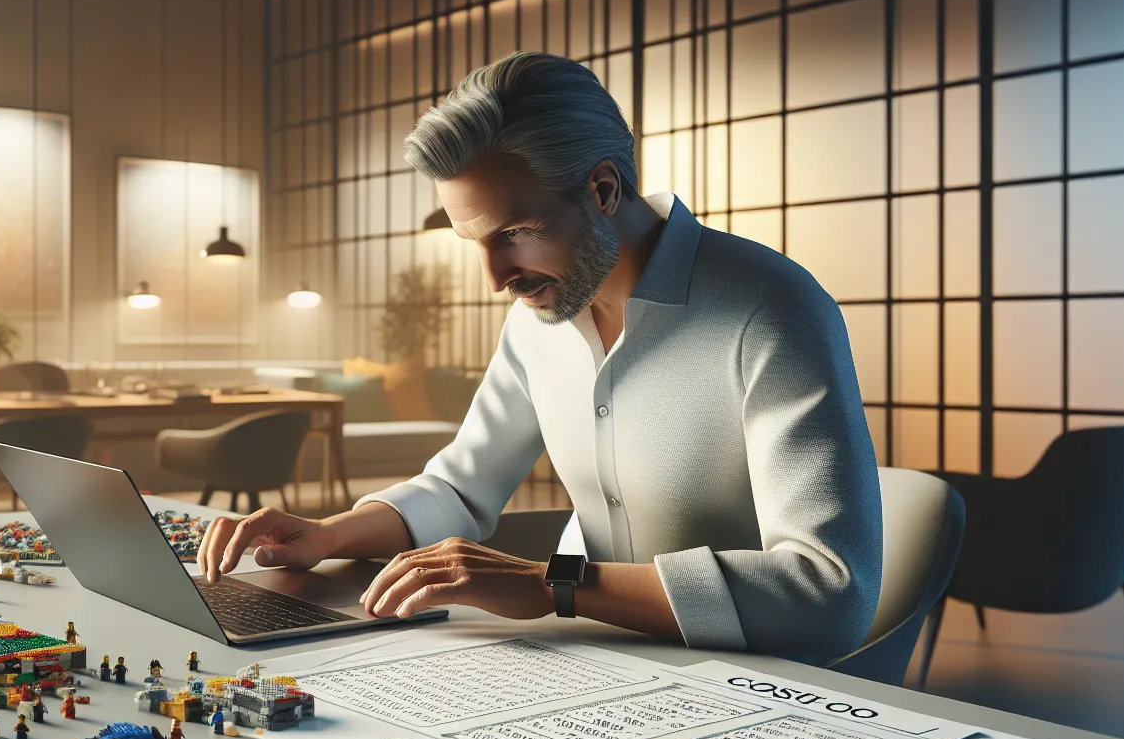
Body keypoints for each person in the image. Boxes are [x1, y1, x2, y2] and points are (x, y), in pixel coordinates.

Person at [195, 52, 882, 664]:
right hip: (594, 660)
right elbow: (462, 489)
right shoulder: (539, 319)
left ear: (603, 190)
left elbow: (829, 593)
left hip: (754, 680)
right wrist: (326, 535)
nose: (496, 277)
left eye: (517, 233)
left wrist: (553, 583)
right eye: (477, 243)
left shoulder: (772, 310)